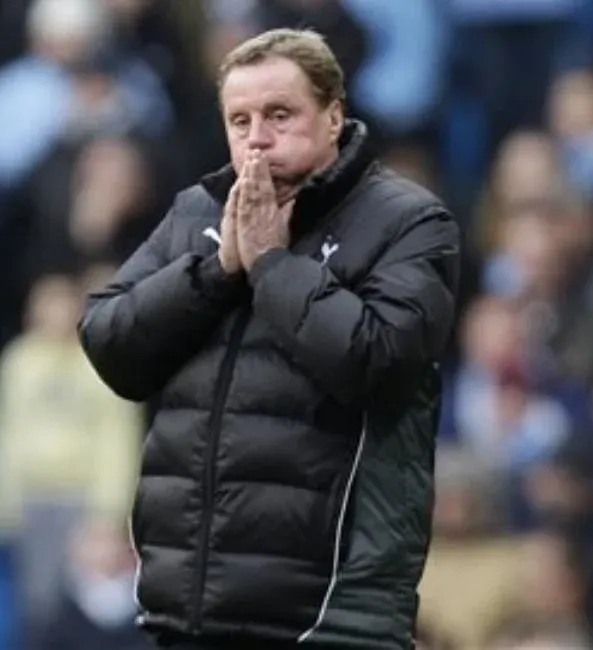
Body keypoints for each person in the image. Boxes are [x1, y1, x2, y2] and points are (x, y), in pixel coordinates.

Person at [79, 27, 461, 650]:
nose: (257, 137)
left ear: (333, 116)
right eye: (240, 120)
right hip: (187, 606)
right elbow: (109, 344)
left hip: (329, 613)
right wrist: (215, 273)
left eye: (280, 115)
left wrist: (270, 266)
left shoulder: (409, 222)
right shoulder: (197, 213)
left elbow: (378, 360)